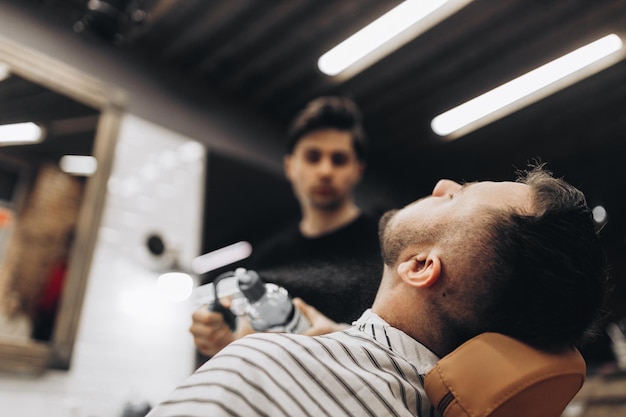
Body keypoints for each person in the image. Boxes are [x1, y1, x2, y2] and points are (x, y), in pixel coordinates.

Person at [147, 164, 609, 417]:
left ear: (421, 266)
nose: (442, 183)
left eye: (456, 197)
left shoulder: (265, 363)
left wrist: (275, 352)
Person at [190, 96, 384, 357]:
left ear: (357, 170)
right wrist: (225, 343)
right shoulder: (268, 259)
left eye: (338, 159)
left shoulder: (386, 247)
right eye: (313, 157)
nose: (325, 170)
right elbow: (253, 343)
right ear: (290, 166)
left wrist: (340, 339)